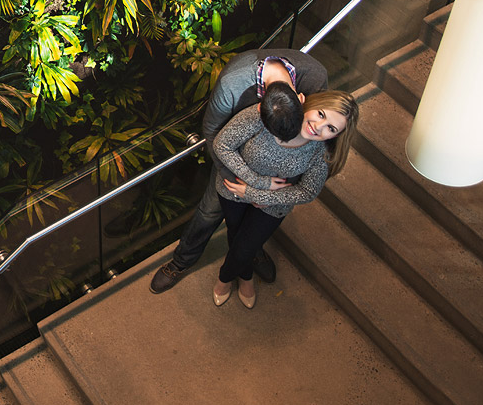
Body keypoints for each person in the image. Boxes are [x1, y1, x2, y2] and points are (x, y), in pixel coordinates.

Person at [148, 49, 328, 294]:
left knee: (256, 223)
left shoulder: (315, 76)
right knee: (209, 212)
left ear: (301, 98)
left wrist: (269, 193)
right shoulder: (232, 84)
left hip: (281, 171)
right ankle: (182, 260)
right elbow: (212, 132)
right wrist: (243, 179)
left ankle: (250, 252)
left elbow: (319, 128)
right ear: (259, 113)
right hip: (234, 162)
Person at [211, 88, 359, 308]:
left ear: (336, 135)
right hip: (233, 189)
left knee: (245, 246)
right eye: (321, 114)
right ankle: (246, 275)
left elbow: (307, 192)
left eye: (331, 128)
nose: (318, 127)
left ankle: (225, 279)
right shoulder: (273, 112)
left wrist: (257, 194)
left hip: (273, 205)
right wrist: (258, 182)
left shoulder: (320, 153)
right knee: (236, 234)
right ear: (308, 103)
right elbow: (222, 145)